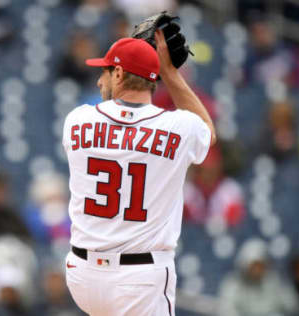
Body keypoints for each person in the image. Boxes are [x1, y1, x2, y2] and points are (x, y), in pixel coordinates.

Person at [61, 30, 216, 315]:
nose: (99, 80)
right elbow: (208, 130)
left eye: (105, 72)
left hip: (82, 274)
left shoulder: (76, 120)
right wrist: (168, 72)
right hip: (139, 279)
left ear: (118, 74)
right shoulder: (178, 127)